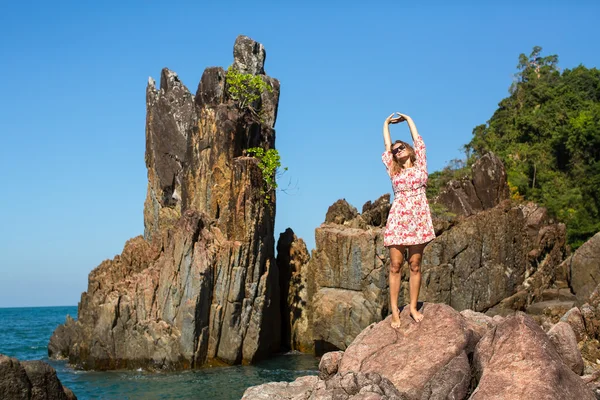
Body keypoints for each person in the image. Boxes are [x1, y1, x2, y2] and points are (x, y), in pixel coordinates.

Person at [381, 112, 435, 328]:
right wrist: (386, 123)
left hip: (419, 218)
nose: (397, 151)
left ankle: (412, 307)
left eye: (400, 147)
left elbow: (418, 139)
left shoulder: (421, 165)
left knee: (415, 264)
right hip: (398, 219)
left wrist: (408, 119)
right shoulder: (393, 171)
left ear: (410, 151)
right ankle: (395, 310)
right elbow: (386, 145)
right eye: (395, 151)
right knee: (395, 265)